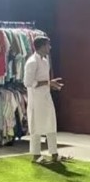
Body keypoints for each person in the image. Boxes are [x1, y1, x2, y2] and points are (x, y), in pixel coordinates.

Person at [24, 36, 64, 164]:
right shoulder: (32, 62)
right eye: (48, 45)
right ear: (41, 46)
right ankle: (36, 155)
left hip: (46, 97)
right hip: (36, 100)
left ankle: (54, 153)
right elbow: (28, 82)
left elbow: (45, 81)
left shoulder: (45, 61)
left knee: (51, 123)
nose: (50, 47)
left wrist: (51, 84)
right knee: (36, 126)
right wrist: (48, 83)